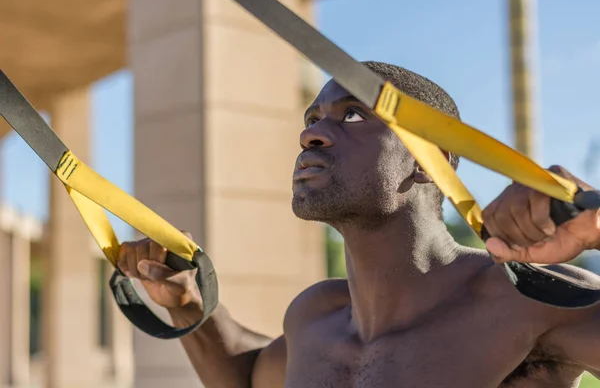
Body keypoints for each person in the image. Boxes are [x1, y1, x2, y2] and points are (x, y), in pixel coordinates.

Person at [118, 61, 600, 387]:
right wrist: (188, 306)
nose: (310, 134)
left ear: (430, 162)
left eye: (352, 114)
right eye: (312, 118)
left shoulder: (534, 301)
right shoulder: (315, 316)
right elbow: (249, 378)